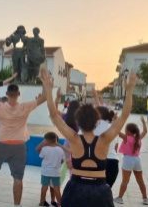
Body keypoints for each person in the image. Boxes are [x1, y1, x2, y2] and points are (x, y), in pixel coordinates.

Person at [40, 69, 136, 207]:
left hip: (75, 189)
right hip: (100, 191)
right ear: (97, 122)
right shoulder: (105, 139)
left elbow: (54, 115)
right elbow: (124, 115)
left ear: (78, 122)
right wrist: (130, 90)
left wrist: (48, 89)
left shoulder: (74, 139)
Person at [0, 81, 46, 205]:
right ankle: (16, 204)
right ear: (18, 94)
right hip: (19, 145)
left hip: (1, 143)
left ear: (6, 94)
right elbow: (44, 98)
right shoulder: (25, 107)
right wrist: (45, 83)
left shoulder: (0, 106)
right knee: (18, 178)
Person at [114, 117, 148, 205]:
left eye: (126, 129)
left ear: (129, 131)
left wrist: (115, 120)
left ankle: (120, 198)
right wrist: (144, 122)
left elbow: (116, 130)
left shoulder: (126, 137)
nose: (125, 130)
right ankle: (145, 198)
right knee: (140, 180)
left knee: (125, 181)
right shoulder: (138, 138)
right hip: (137, 160)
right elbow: (145, 131)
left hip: (128, 160)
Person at [94, 106, 120, 188]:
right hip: (113, 161)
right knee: (107, 189)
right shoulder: (114, 129)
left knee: (97, 188)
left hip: (101, 161)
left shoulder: (96, 129)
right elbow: (116, 148)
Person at [36, 132, 65, 207]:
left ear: (46, 140)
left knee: (44, 187)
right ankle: (60, 204)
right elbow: (62, 161)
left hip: (46, 172)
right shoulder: (61, 149)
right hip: (56, 173)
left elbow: (40, 155)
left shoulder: (45, 149)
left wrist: (43, 143)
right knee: (57, 189)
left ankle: (41, 203)